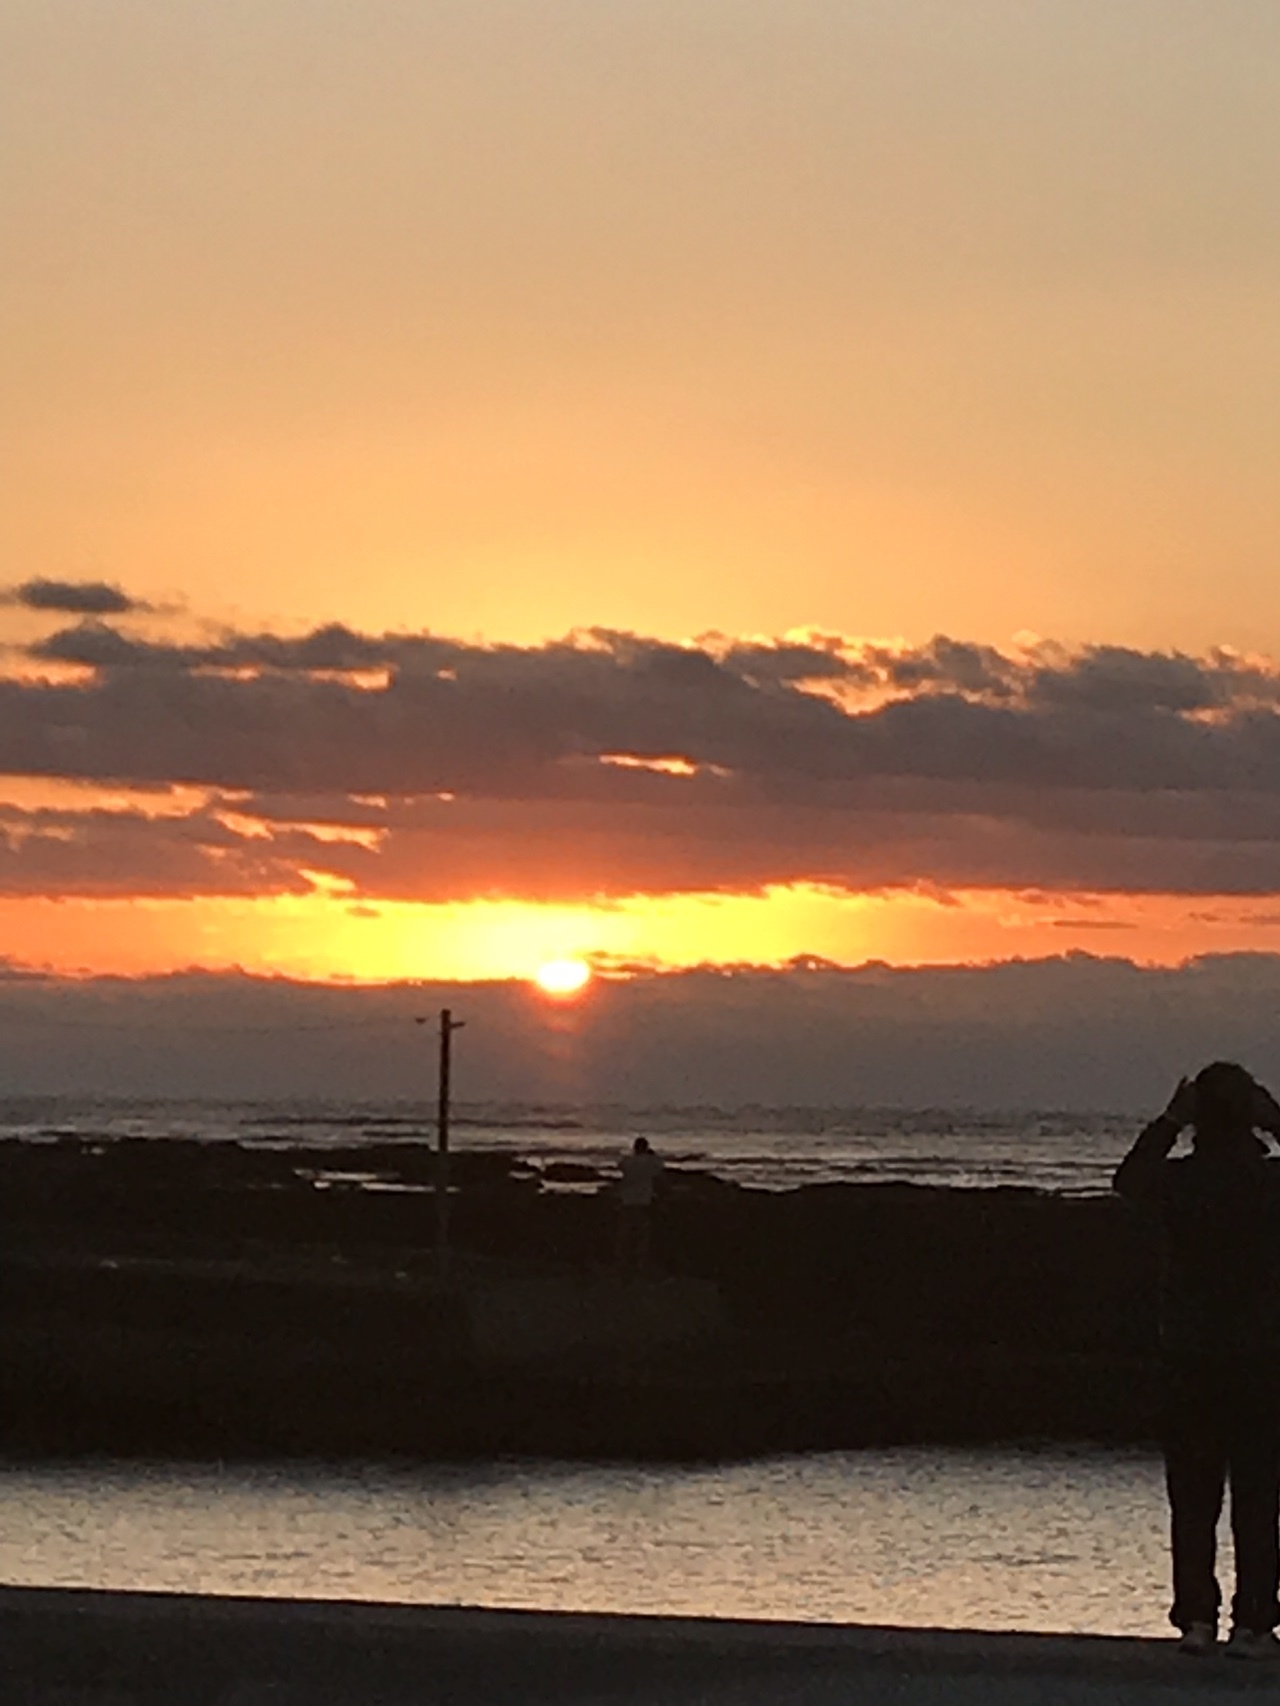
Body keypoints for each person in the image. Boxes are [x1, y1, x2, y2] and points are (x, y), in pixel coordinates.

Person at [1114, 1062, 1280, 1658]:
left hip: (1189, 1353)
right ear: (1251, 1118)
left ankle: (1198, 1621)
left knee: (1193, 1497)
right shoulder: (1268, 1184)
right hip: (1261, 1355)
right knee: (1259, 1496)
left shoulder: (1180, 1183)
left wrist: (1168, 1120)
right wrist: (1276, 1116)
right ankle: (1255, 1623)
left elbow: (1129, 1180)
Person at [614, 1136, 664, 1275]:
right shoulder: (650, 1162)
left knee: (624, 1234)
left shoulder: (629, 1162)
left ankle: (622, 1263)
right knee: (642, 1235)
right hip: (644, 1201)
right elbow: (660, 1167)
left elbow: (620, 1165)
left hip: (627, 1200)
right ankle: (640, 1263)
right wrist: (653, 1155)